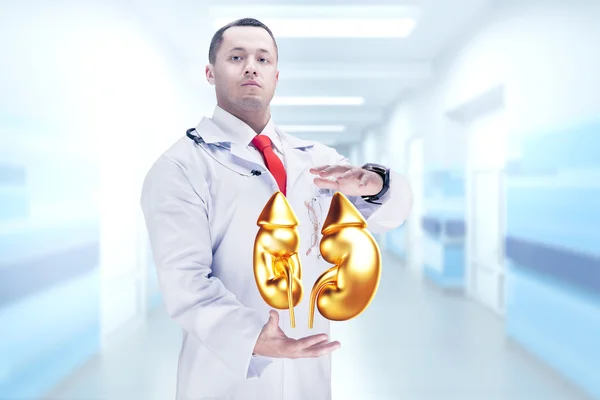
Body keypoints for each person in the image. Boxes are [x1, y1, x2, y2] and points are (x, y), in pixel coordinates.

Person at [140, 17, 413, 400]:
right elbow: (185, 282)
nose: (251, 66)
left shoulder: (316, 160)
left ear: (276, 75)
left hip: (308, 374)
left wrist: (377, 183)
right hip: (227, 378)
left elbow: (389, 216)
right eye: (236, 56)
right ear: (209, 72)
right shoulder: (181, 166)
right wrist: (252, 336)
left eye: (263, 59)